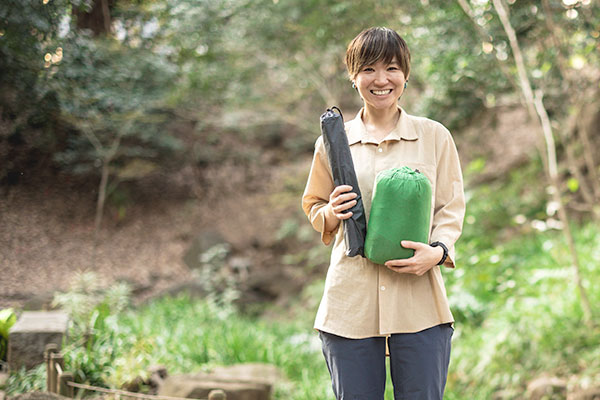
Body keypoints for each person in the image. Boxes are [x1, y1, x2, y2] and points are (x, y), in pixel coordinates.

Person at [301, 27, 466, 400]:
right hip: (350, 303)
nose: (381, 79)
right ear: (353, 76)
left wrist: (437, 251)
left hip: (420, 303)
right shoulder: (333, 142)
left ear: (405, 75)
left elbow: (450, 207)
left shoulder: (434, 137)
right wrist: (331, 211)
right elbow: (313, 205)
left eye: (391, 68)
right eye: (369, 69)